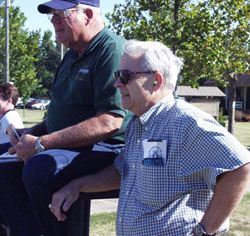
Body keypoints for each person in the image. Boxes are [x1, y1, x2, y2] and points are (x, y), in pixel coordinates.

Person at [50, 40, 250, 236]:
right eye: (116, 75)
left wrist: (204, 231)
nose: (117, 83)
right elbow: (125, 171)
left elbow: (241, 167)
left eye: (125, 76)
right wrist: (78, 185)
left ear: (156, 80)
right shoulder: (139, 124)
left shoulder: (185, 122)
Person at [0, 0, 132, 236]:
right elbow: (58, 119)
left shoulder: (110, 51)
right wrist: (29, 135)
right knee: (2, 159)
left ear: (88, 14)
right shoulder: (71, 56)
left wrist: (41, 144)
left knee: (39, 167)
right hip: (72, 148)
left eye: (61, 13)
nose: (53, 20)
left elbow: (110, 122)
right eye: (52, 14)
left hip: (109, 150)